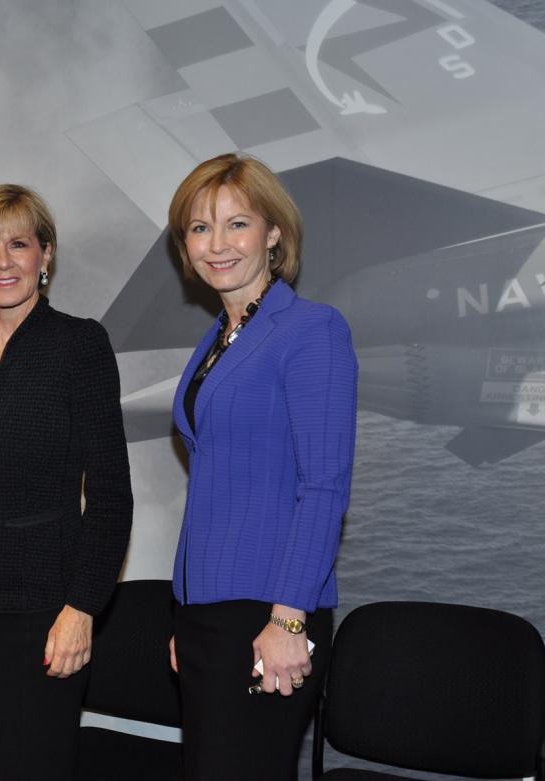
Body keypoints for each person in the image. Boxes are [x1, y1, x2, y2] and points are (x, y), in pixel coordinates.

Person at [0, 184, 133, 780]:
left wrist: (82, 609)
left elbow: (112, 497)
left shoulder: (80, 344)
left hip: (45, 614)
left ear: (47, 254)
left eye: (19, 243)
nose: (3, 261)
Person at [165, 154, 357, 779]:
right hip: (209, 618)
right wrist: (186, 616)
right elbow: (217, 487)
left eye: (236, 224)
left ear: (274, 233)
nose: (216, 245)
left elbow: (323, 487)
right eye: (199, 228)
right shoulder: (220, 338)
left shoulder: (311, 331)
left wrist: (287, 620)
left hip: (270, 616)